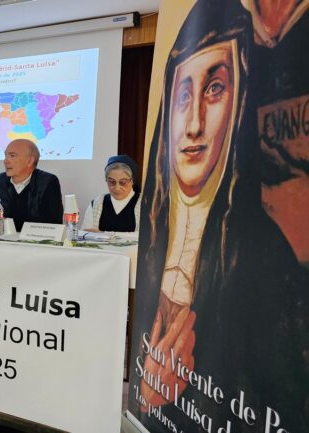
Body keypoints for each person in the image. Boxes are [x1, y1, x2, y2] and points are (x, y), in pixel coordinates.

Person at [128, 1, 308, 431]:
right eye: (184, 95)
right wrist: (152, 392)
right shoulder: (154, 234)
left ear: (239, 103)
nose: (192, 125)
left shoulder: (266, 252)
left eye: (214, 89)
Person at [0, 139, 62, 232]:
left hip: (33, 243)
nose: (5, 161)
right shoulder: (0, 180)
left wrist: (7, 224)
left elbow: (54, 223)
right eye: (5, 155)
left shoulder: (48, 182)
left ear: (30, 161)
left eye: (12, 156)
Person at [81, 155, 141, 233]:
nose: (117, 188)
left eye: (123, 182)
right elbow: (86, 235)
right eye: (111, 182)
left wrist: (103, 234)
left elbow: (145, 238)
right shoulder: (96, 204)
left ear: (132, 181)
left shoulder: (145, 205)